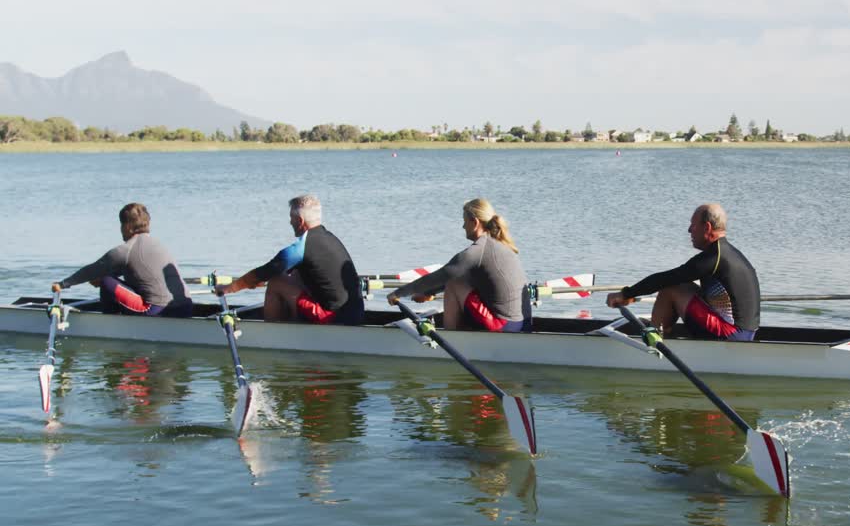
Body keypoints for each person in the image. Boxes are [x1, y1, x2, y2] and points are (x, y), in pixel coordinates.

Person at [606, 203, 759, 341]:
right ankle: (661, 329)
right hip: (746, 333)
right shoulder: (729, 253)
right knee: (682, 284)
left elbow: (667, 278)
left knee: (671, 287)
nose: (689, 230)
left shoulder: (713, 258)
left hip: (731, 335)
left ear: (707, 227)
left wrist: (626, 294)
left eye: (693, 225)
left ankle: (653, 339)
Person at [217, 194, 364, 325]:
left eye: (291, 218)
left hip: (334, 318)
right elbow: (273, 272)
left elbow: (263, 272)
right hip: (354, 313)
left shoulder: (299, 249)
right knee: (291, 275)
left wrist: (230, 288)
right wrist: (257, 280)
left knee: (276, 283)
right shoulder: (330, 238)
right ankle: (294, 321)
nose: (290, 222)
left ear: (300, 220)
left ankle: (274, 334)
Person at [387, 198, 529, 332]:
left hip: (501, 325)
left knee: (453, 285)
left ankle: (453, 337)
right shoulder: (502, 246)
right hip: (519, 324)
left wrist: (398, 293)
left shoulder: (476, 251)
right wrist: (428, 292)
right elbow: (460, 278)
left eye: (464, 221)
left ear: (475, 222)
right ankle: (464, 331)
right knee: (459, 281)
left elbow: (441, 276)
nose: (463, 226)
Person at [52, 203, 193, 317]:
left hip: (155, 310)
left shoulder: (125, 250)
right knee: (105, 279)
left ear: (127, 227)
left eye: (121, 225)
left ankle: (111, 325)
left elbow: (91, 271)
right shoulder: (160, 245)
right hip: (185, 308)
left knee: (106, 282)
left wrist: (63, 284)